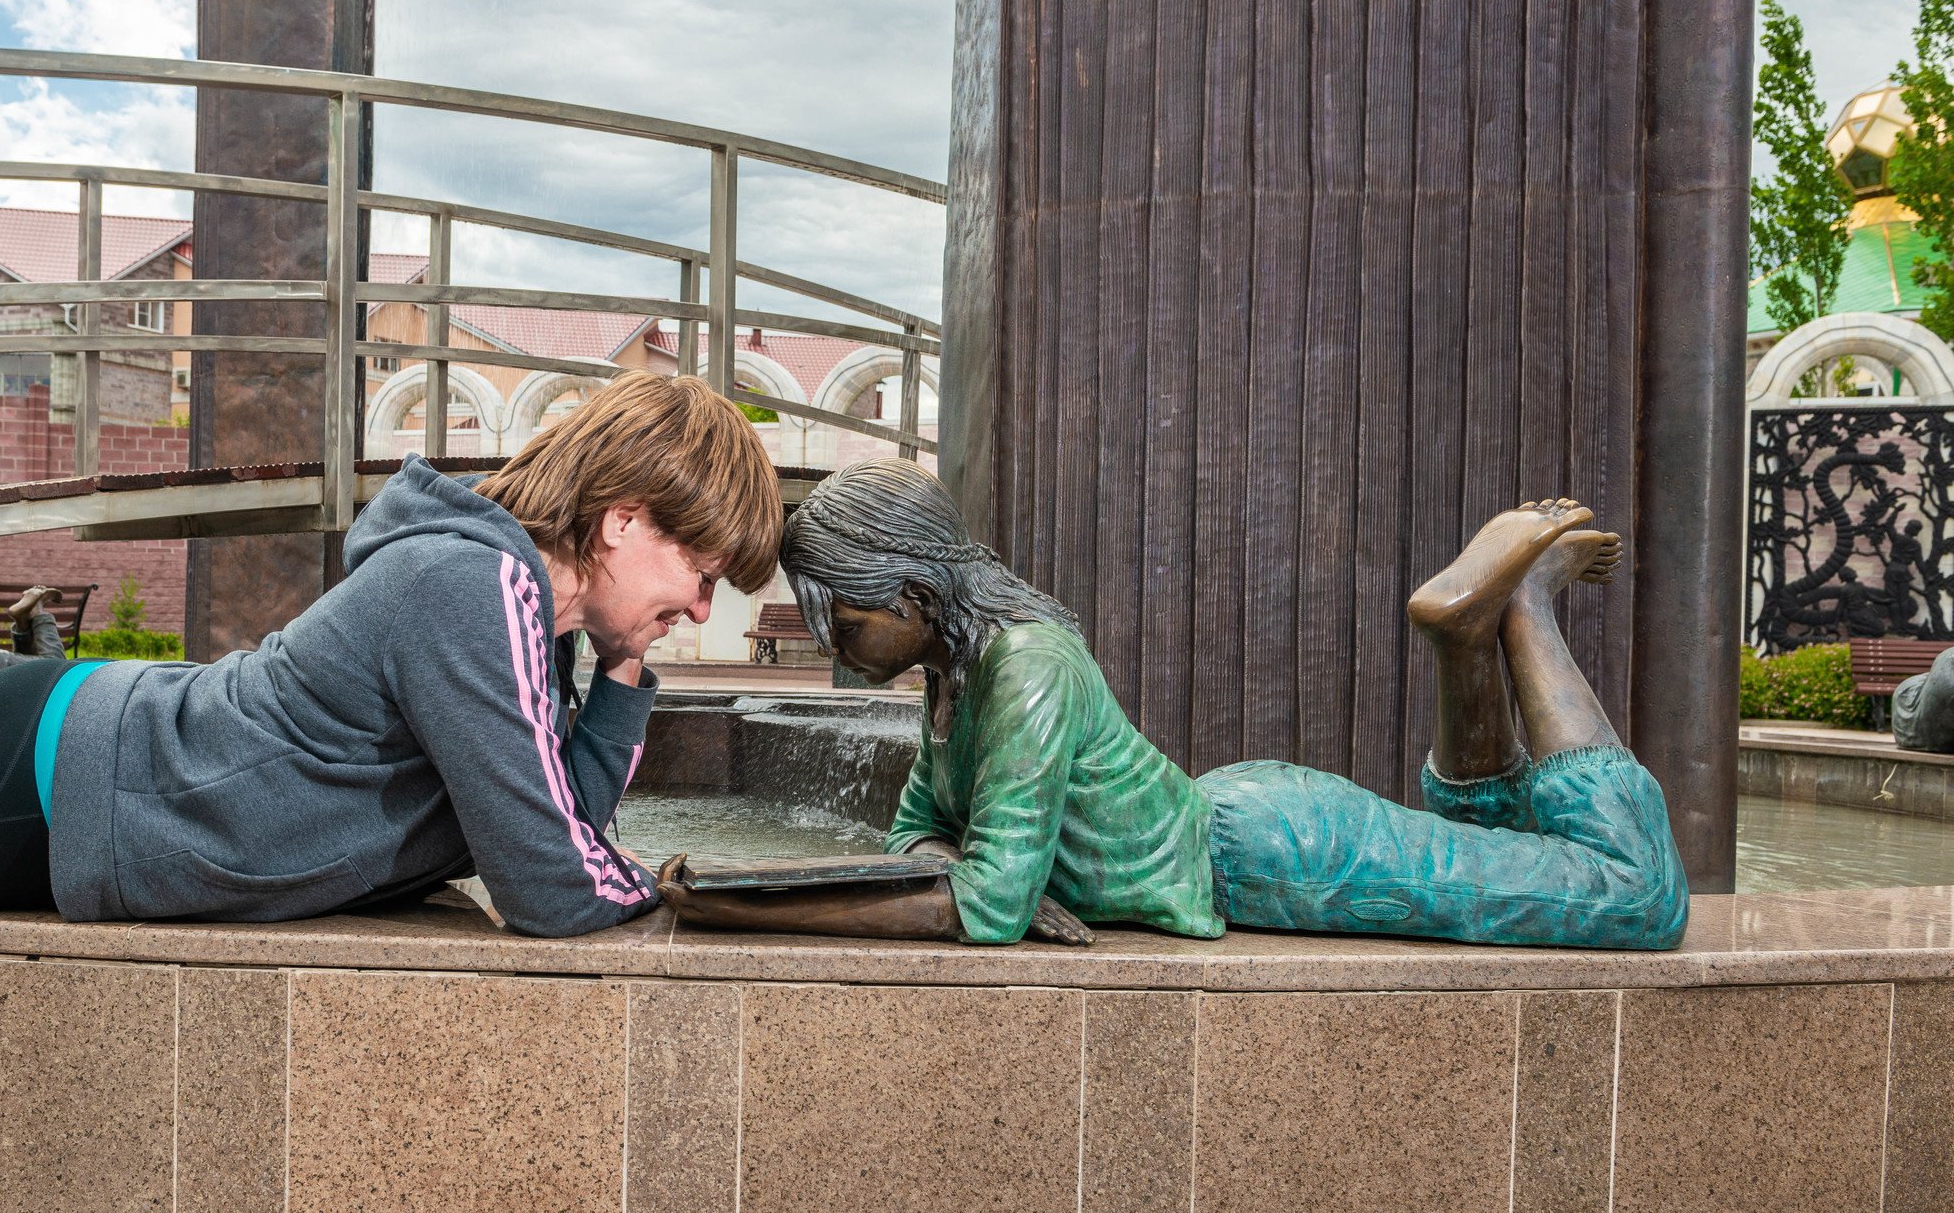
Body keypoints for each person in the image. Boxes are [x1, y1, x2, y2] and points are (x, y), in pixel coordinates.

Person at [0, 289, 778, 934]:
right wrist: (702, 901)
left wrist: (619, 677)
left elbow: (565, 826)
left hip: (66, 780)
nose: (698, 608)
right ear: (624, 520)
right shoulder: (479, 584)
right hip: (45, 782)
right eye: (701, 573)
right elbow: (560, 887)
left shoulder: (516, 619)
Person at [658, 458, 1689, 951]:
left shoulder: (1027, 665)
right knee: (1492, 844)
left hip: (1280, 851)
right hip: (1243, 833)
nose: (835, 646)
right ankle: (1467, 634)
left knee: (1633, 898)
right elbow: (923, 842)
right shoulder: (953, 683)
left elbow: (980, 904)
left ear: (918, 598)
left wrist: (735, 898)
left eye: (845, 620)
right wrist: (973, 872)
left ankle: (1529, 609)